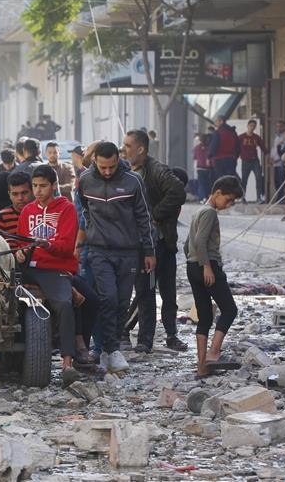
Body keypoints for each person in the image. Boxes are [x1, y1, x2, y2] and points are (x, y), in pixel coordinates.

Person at [77, 141, 154, 373]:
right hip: (99, 251)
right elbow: (85, 209)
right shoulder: (85, 181)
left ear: (117, 161)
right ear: (96, 162)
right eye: (103, 167)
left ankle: (112, 348)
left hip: (128, 251)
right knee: (106, 298)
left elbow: (144, 217)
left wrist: (149, 251)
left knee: (121, 303)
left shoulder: (133, 181)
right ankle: (109, 348)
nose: (108, 172)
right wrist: (88, 236)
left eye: (111, 167)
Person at [121, 130, 188, 353]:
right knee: (144, 291)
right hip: (138, 243)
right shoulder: (123, 171)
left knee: (167, 292)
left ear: (141, 149)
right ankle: (141, 339)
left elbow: (177, 191)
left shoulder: (156, 169)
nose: (124, 150)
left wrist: (154, 214)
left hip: (162, 243)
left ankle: (169, 336)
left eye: (128, 145)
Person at [15, 165, 79, 371]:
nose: (38, 191)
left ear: (53, 185)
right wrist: (21, 252)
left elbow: (67, 246)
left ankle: (67, 361)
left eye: (43, 186)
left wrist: (47, 244)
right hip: (28, 268)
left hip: (54, 268)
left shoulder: (66, 208)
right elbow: (21, 243)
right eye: (35, 186)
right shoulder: (27, 211)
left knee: (64, 304)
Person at [184, 175, 244, 378]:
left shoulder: (198, 211)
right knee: (229, 309)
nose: (228, 205)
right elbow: (201, 241)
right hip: (206, 266)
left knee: (205, 317)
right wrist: (207, 267)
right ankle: (214, 352)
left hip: (192, 266)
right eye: (228, 200)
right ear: (217, 193)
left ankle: (201, 366)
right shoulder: (210, 213)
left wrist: (195, 265)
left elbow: (187, 244)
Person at [0, 172, 33, 246]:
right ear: (9, 194)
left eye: (24, 193)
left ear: (32, 192)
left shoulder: (42, 214)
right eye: (15, 194)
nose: (20, 198)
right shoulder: (1, 218)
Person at [239, 120, 268, 203]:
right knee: (244, 180)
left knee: (259, 177)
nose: (252, 127)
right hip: (245, 161)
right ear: (247, 126)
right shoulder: (241, 137)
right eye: (251, 125)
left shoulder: (256, 137)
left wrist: (267, 156)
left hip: (255, 160)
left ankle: (258, 197)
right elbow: (236, 148)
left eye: (254, 126)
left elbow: (263, 147)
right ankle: (242, 197)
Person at [208, 115, 240, 181]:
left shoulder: (217, 133)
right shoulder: (233, 132)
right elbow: (238, 146)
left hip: (219, 160)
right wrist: (235, 157)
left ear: (221, 121)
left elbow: (214, 146)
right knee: (230, 179)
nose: (215, 123)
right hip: (231, 159)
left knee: (221, 180)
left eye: (216, 121)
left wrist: (209, 156)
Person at [270, 121, 285, 204]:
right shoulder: (277, 136)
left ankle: (282, 199)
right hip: (275, 163)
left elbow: (284, 150)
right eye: (277, 126)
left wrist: (277, 159)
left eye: (280, 126)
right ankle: (279, 197)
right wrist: (271, 158)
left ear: (284, 127)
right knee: (276, 181)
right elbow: (274, 148)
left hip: (281, 162)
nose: (278, 128)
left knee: (282, 181)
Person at [194, 134, 213, 202]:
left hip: (199, 168)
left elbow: (195, 157)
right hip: (208, 168)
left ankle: (202, 197)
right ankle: (207, 197)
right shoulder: (209, 148)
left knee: (201, 183)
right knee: (207, 183)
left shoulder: (196, 148)